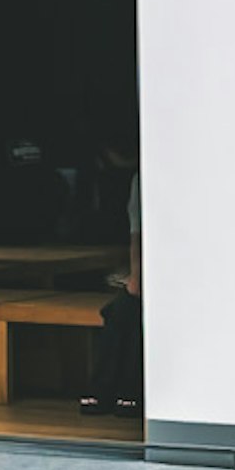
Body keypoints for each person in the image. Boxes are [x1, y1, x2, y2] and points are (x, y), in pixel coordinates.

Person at [83, 148, 142, 411]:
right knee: (119, 311)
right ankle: (105, 389)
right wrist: (137, 275)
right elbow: (137, 233)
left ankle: (132, 389)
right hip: (148, 270)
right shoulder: (142, 180)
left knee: (137, 315)